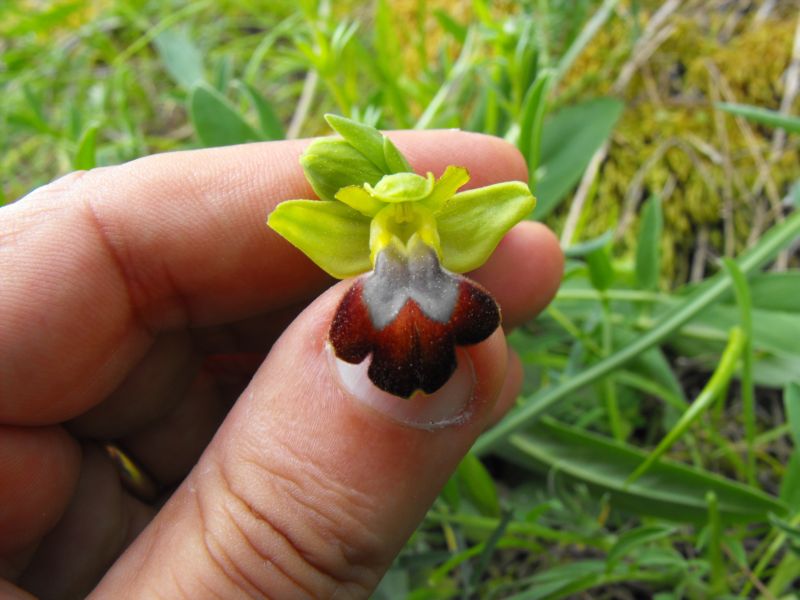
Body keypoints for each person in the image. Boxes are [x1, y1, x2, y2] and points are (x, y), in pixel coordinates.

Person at [0, 131, 563, 599]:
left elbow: (507, 202)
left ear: (440, 217)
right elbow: (295, 220)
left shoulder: (442, 229)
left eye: (414, 224)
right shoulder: (351, 234)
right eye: (391, 225)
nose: (405, 233)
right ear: (366, 226)